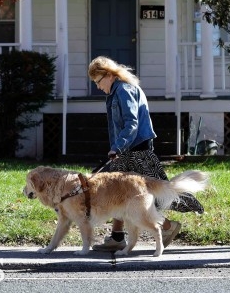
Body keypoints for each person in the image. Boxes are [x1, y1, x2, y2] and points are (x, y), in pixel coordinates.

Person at [87, 56, 203, 252]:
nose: (97, 87)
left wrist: (118, 146)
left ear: (108, 75)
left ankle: (168, 227)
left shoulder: (124, 90)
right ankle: (117, 237)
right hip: (125, 150)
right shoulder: (118, 90)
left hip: (136, 151)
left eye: (98, 82)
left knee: (155, 193)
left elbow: (131, 124)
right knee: (119, 194)